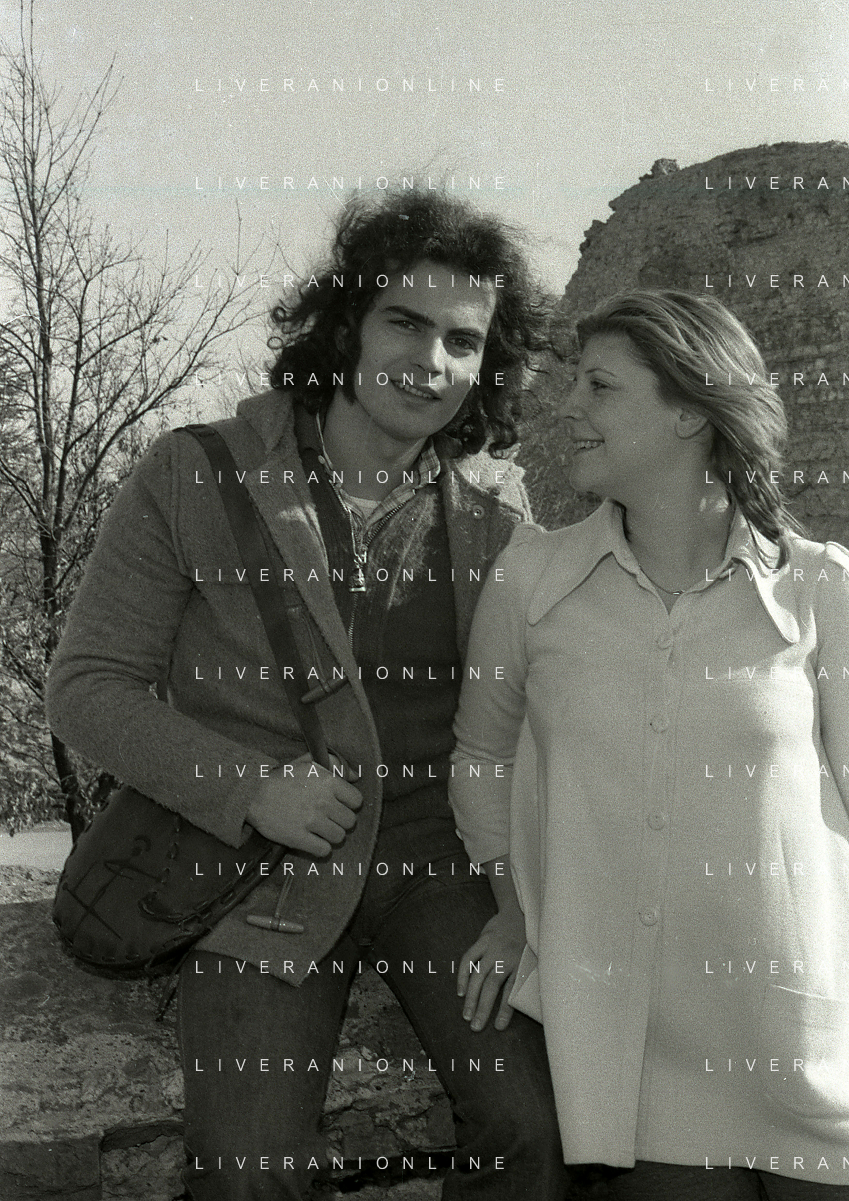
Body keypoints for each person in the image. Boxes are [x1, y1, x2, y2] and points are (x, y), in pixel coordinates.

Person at [45, 189, 567, 1200]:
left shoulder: (500, 519)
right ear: (345, 325)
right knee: (248, 1171)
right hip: (261, 871)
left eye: (462, 340)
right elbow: (86, 687)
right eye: (404, 322)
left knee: (535, 1129)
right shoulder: (195, 472)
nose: (430, 361)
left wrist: (520, 898)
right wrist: (248, 787)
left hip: (437, 866)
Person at [449, 289, 849, 1199]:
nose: (567, 407)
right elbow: (480, 758)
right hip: (635, 1056)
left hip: (807, 1037)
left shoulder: (819, 587)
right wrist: (512, 907)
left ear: (689, 411)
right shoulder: (531, 578)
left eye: (599, 386)